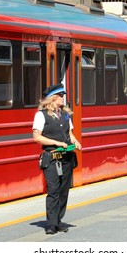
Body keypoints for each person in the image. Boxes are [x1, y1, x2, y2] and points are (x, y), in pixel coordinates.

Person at [32, 83, 82, 235]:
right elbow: (37, 137)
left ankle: (58, 220)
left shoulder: (66, 114)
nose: (62, 98)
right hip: (51, 158)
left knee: (63, 191)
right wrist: (56, 142)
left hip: (66, 158)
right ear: (52, 99)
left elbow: (70, 134)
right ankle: (51, 224)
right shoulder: (41, 115)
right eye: (60, 96)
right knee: (53, 190)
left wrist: (75, 142)